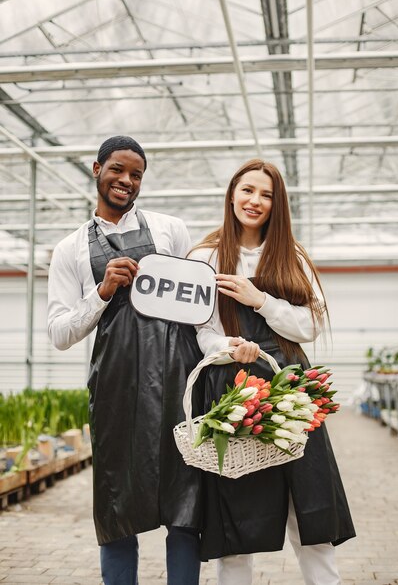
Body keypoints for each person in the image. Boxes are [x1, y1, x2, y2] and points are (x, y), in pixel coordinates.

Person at [188, 158, 356, 585]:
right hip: (233, 388)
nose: (255, 201)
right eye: (247, 190)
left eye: (266, 194)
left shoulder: (291, 255)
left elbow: (311, 324)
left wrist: (259, 299)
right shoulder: (204, 256)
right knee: (236, 513)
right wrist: (231, 348)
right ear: (231, 194)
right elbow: (203, 334)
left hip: (290, 387)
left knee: (309, 505)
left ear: (277, 204)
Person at [47, 135, 203, 585]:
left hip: (176, 377)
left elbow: (198, 305)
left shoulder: (170, 230)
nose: (126, 181)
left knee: (185, 497)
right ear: (96, 169)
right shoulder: (71, 249)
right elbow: (60, 333)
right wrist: (102, 291)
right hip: (116, 386)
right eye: (118, 169)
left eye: (136, 174)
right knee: (117, 499)